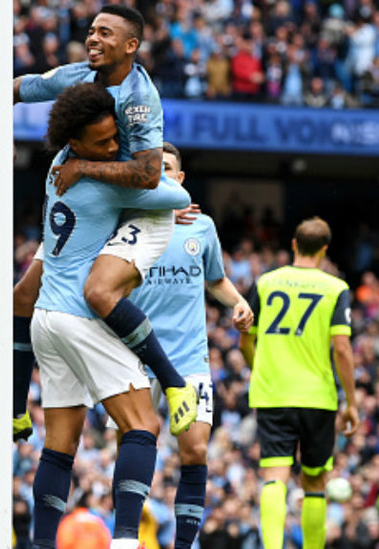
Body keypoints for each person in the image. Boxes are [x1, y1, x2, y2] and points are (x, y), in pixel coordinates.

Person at [0, 4, 196, 447]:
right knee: (21, 298)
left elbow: (147, 177)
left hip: (137, 207)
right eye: (91, 31)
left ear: (130, 45)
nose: (93, 39)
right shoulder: (78, 77)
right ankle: (13, 415)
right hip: (93, 206)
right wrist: (1, 132)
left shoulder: (141, 99)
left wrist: (85, 168)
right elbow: (14, 88)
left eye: (105, 33)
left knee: (98, 292)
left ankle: (174, 382)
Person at [30, 83, 190, 549]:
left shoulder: (60, 167)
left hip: (47, 319)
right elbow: (174, 197)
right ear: (75, 144)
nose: (114, 148)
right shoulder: (100, 181)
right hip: (80, 318)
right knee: (143, 424)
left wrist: (92, 160)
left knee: (59, 446)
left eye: (113, 138)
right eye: (101, 144)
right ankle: (124, 542)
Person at [106, 142, 253, 548]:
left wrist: (239, 303)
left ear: (181, 178)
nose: (161, 174)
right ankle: (127, 539)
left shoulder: (201, 227)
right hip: (134, 354)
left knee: (195, 449)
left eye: (168, 168)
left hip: (187, 356)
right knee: (133, 443)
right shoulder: (125, 219)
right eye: (153, 169)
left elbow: (216, 279)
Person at [239, 217, 359, 549]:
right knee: (315, 480)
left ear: (293, 244)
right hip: (318, 397)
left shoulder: (265, 283)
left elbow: (245, 341)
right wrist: (351, 401)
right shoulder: (336, 289)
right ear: (324, 249)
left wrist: (257, 369)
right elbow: (343, 349)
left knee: (275, 477)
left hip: (273, 393)